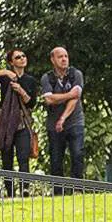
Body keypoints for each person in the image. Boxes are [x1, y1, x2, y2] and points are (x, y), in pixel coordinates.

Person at [0, 48, 37, 192]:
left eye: (23, 56)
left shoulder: (30, 80)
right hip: (6, 123)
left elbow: (32, 103)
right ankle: (10, 192)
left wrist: (21, 91)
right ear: (11, 62)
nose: (22, 59)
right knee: (6, 159)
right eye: (18, 57)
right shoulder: (5, 78)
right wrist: (6, 72)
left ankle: (25, 189)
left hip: (21, 122)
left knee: (23, 157)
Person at [38, 45, 85, 182]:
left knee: (77, 154)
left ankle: (78, 187)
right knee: (56, 158)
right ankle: (58, 191)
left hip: (75, 121)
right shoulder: (47, 78)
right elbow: (48, 99)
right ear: (53, 60)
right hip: (53, 124)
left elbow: (75, 99)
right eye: (60, 57)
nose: (64, 59)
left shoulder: (76, 74)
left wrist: (63, 118)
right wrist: (68, 94)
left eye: (66, 56)